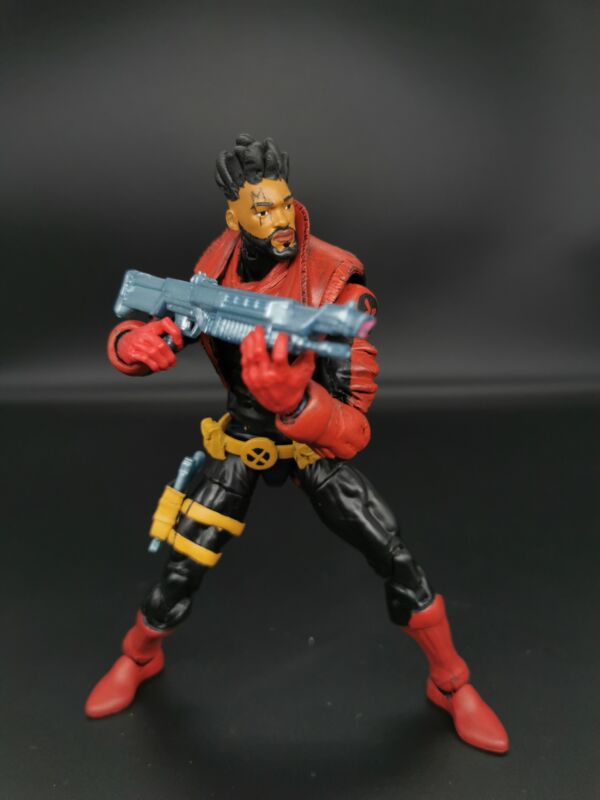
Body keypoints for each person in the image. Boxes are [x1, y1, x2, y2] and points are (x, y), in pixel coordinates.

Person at [85, 134, 508, 754]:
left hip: (312, 443)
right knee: (184, 559)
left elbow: (355, 428)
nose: (280, 219)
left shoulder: (334, 287)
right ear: (233, 215)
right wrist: (134, 345)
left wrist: (297, 402)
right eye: (262, 210)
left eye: (285, 204)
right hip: (241, 439)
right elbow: (170, 323)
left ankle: (451, 682)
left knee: (392, 554)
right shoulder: (217, 263)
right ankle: (140, 655)